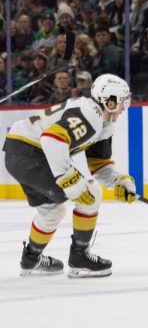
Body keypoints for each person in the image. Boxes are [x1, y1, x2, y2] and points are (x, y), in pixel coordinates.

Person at [3, 74, 135, 277]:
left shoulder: (103, 124)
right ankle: (80, 258)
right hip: (31, 153)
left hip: (20, 153)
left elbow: (97, 164)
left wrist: (118, 181)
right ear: (109, 102)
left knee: (52, 211)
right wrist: (69, 179)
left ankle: (31, 259)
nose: (124, 107)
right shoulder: (90, 114)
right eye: (122, 102)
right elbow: (51, 139)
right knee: (90, 193)